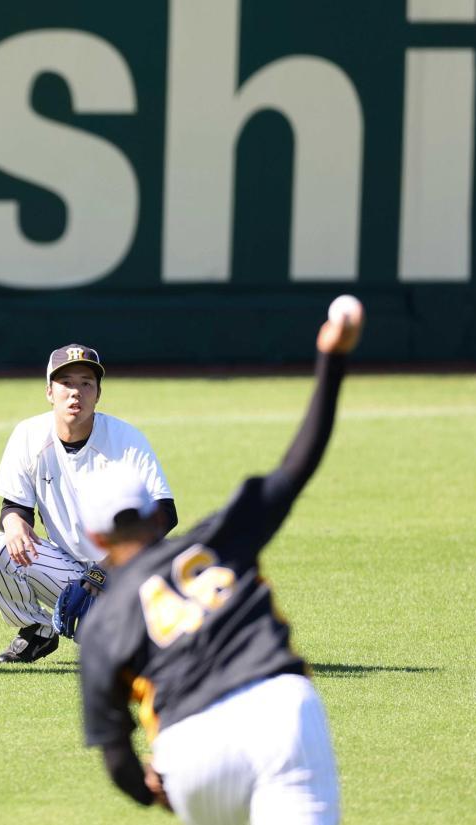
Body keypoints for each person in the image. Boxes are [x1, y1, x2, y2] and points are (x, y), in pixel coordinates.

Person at [76, 303, 364, 824]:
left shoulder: (101, 625)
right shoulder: (218, 539)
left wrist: (150, 791)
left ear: (95, 535)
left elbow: (118, 758)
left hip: (191, 745)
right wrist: (332, 359)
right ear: (150, 511)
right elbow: (300, 461)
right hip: (281, 709)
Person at [0, 343, 178, 664]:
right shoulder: (28, 435)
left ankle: (117, 628)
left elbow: (164, 514)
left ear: (98, 394)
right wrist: (14, 524)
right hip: (67, 570)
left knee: (142, 649)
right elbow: (15, 506)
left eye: (86, 383)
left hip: (123, 573)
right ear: (49, 392)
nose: (76, 393)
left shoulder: (125, 439)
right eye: (66, 383)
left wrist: (105, 570)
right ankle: (38, 630)